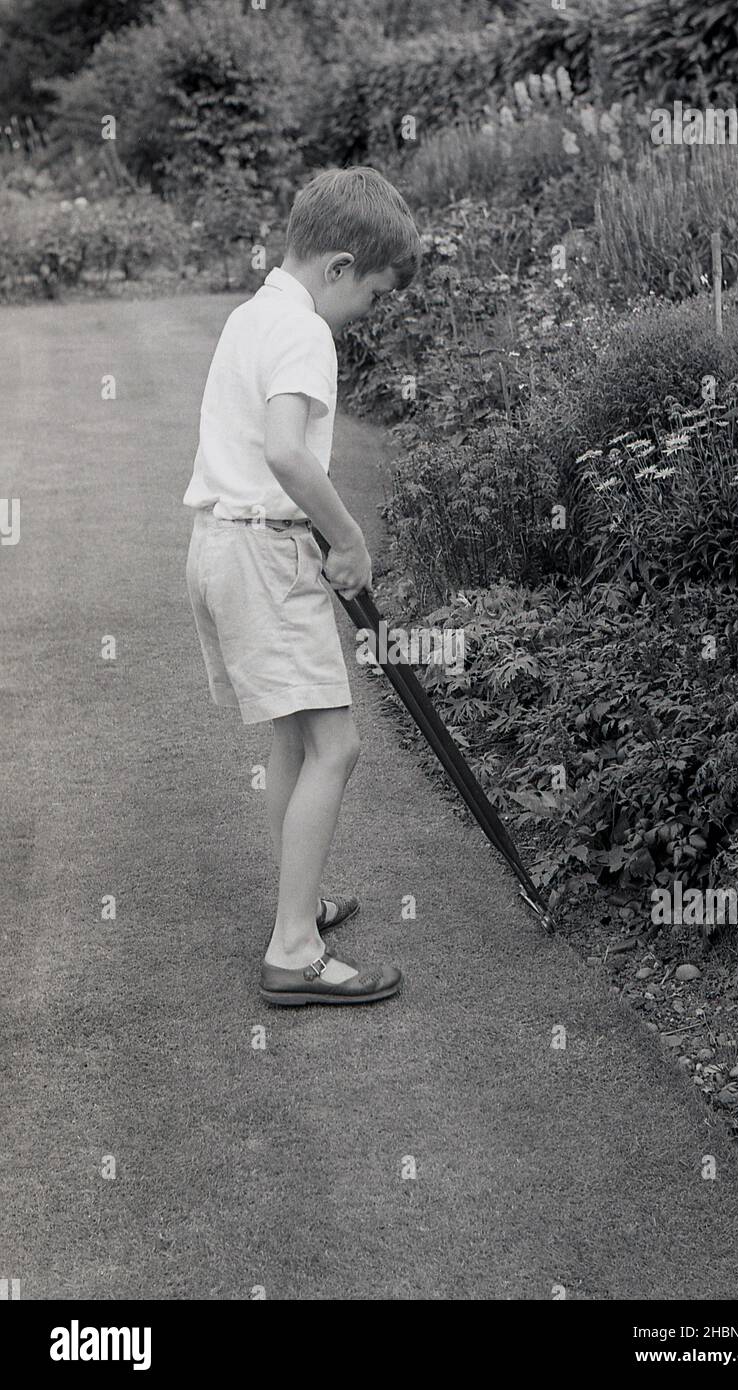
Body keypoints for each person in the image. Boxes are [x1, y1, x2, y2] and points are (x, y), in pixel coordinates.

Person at [183, 166, 421, 1006]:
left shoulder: (254, 314)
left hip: (219, 545)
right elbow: (286, 452)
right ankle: (292, 951)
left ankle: (302, 907)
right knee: (337, 745)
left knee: (293, 741)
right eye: (376, 296)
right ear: (341, 267)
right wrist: (350, 537)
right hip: (263, 557)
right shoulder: (304, 332)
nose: (370, 316)